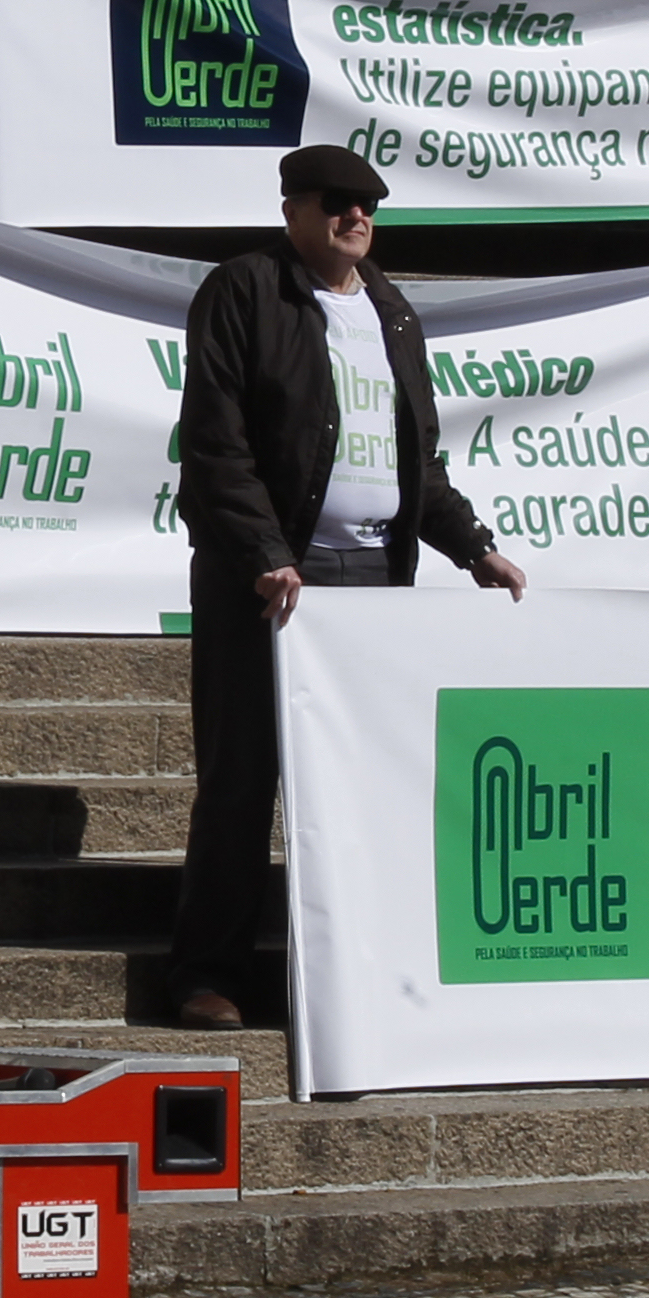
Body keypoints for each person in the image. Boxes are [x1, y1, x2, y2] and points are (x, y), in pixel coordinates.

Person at [167, 143, 526, 1029]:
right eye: (338, 202)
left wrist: (471, 547)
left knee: (360, 783)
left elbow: (418, 463)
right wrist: (264, 551)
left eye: (369, 203)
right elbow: (216, 445)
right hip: (270, 582)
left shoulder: (394, 312)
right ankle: (208, 972)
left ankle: (355, 972)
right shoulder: (244, 291)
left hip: (374, 580)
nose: (357, 216)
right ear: (293, 208)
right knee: (244, 776)